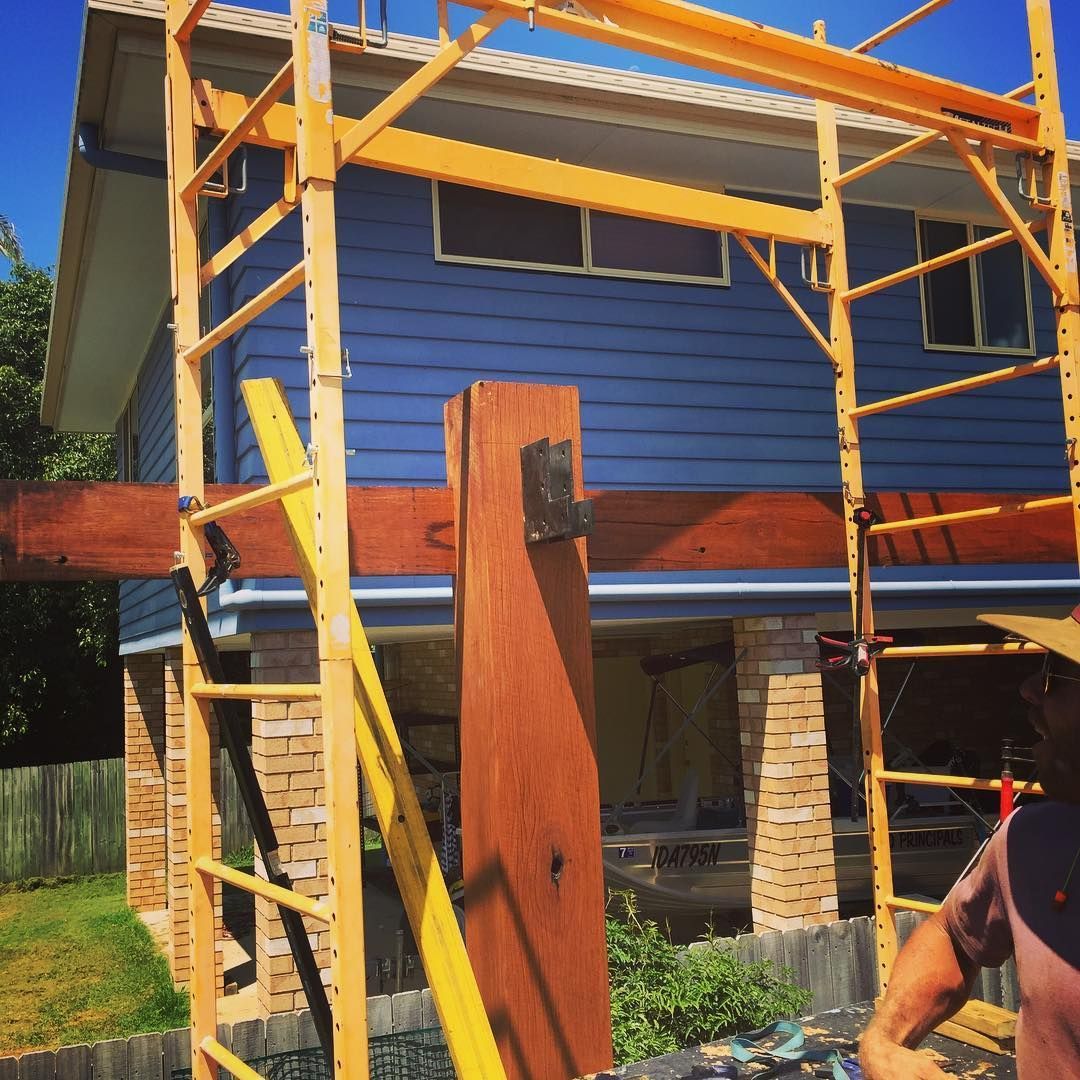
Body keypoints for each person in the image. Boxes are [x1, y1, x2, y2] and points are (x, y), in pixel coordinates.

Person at [859, 604, 1080, 1079]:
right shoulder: (1029, 839)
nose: (1027, 689)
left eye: (1052, 672)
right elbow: (953, 937)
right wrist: (884, 1041)